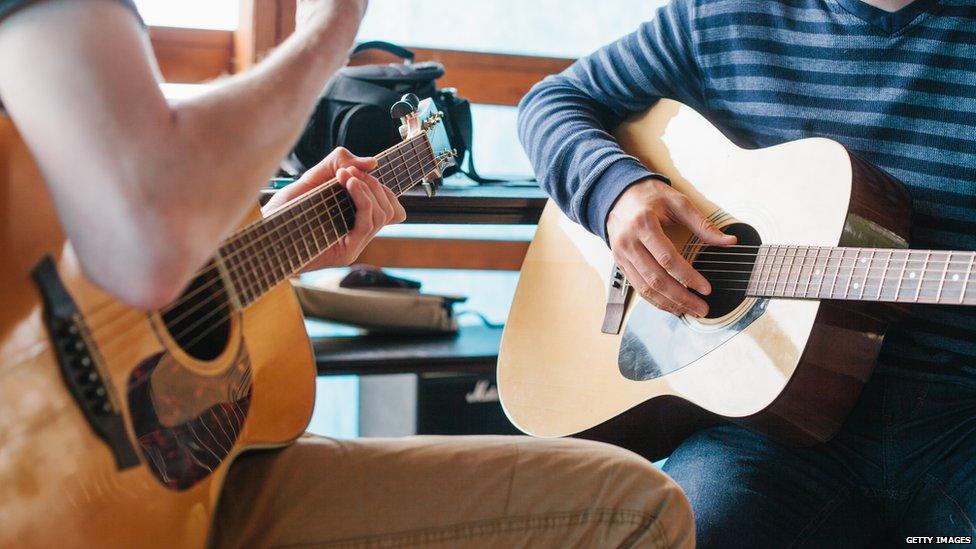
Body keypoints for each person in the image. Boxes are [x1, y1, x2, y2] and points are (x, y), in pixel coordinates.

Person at [0, 0, 695, 546]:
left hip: (185, 486)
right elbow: (146, 225)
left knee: (642, 504)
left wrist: (274, 235)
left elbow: (126, 238)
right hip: (66, 498)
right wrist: (334, 20)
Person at [519, 0, 976, 546]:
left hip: (959, 420)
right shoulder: (720, 15)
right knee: (689, 532)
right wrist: (615, 193)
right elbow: (552, 101)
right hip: (764, 433)